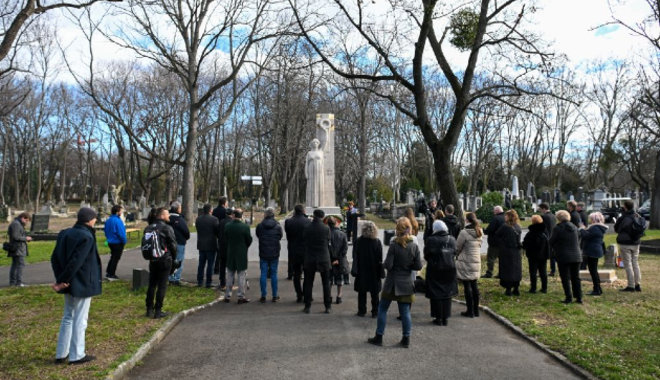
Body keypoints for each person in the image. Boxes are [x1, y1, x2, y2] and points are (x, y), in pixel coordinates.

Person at [51, 207, 102, 365]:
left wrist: (61, 279)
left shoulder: (65, 233)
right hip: (82, 281)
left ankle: (62, 352)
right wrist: (64, 279)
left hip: (68, 281)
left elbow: (55, 257)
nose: (95, 221)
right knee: (80, 319)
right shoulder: (86, 236)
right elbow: (77, 261)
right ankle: (77, 354)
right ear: (90, 220)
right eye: (95, 219)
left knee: (68, 316)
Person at [368, 217, 422, 348]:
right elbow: (418, 266)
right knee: (405, 312)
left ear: (397, 230)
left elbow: (388, 265)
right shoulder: (414, 246)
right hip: (406, 283)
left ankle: (379, 336)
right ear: (409, 229)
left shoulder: (393, 246)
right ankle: (406, 338)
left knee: (382, 309)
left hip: (392, 283)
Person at [144, 207, 177, 318]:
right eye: (167, 214)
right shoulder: (167, 228)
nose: (169, 216)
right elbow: (173, 245)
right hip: (164, 259)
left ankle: (149, 309)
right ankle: (158, 310)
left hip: (153, 259)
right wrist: (174, 259)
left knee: (152, 284)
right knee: (162, 285)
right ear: (162, 216)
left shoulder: (148, 227)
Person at [424, 220, 458, 326]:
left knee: (436, 293)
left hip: (435, 268)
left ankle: (438, 317)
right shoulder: (452, 239)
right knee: (447, 293)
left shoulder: (431, 240)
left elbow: (426, 254)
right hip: (450, 268)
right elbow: (455, 252)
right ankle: (445, 317)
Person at [302, 209, 332, 313]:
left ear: (314, 216)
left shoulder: (307, 227)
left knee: (308, 283)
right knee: (326, 283)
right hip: (323, 257)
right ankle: (327, 306)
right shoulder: (326, 228)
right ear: (322, 217)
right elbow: (328, 240)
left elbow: (304, 240)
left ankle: (307, 305)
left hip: (310, 257)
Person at [549, 210, 583, 304]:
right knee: (575, 277)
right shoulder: (575, 227)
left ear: (558, 218)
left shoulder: (558, 228)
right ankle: (579, 297)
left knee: (565, 277)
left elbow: (551, 241)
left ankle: (568, 297)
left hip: (563, 255)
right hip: (576, 255)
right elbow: (579, 238)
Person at [352, 221, 383, 317]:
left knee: (362, 291)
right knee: (375, 293)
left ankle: (362, 310)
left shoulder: (358, 241)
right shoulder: (377, 242)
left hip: (362, 269)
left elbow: (355, 255)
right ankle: (375, 311)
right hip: (374, 269)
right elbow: (380, 258)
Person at [455, 212, 483, 317]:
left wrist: (457, 255)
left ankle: (470, 310)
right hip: (476, 260)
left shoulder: (464, 232)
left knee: (467, 285)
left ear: (466, 220)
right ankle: (476, 310)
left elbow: (458, 247)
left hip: (466, 260)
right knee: (474, 285)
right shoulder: (479, 231)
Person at [614, 200, 643, 292]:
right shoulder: (637, 215)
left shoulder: (623, 217)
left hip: (625, 243)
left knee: (628, 264)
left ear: (625, 207)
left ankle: (631, 286)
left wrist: (621, 216)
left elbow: (617, 229)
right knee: (635, 263)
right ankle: (637, 284)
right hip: (636, 242)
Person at [224, 208, 252, 303]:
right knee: (241, 276)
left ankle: (227, 295)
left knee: (230, 275)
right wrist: (244, 246)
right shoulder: (245, 227)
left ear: (233, 215)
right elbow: (249, 240)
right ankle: (240, 296)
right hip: (241, 253)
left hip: (231, 252)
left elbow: (226, 238)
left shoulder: (228, 226)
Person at [256, 207, 283, 302]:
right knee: (274, 274)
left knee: (263, 273)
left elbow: (258, 235)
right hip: (274, 252)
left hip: (263, 251)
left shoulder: (260, 225)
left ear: (265, 214)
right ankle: (275, 295)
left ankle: (263, 295)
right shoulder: (278, 226)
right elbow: (280, 236)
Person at [285, 204, 311, 302]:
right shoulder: (308, 222)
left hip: (293, 250)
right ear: (303, 211)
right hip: (305, 251)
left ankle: (299, 294)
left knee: (296, 274)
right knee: (307, 274)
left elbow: (288, 236)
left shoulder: (289, 222)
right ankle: (305, 293)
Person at [495, 209, 523, 296]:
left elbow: (497, 235)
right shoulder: (518, 227)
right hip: (516, 251)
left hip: (506, 251)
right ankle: (516, 288)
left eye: (506, 216)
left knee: (507, 270)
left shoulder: (505, 226)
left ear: (509, 217)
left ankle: (508, 289)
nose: (505, 217)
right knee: (516, 269)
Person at [579, 212, 608, 296]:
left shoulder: (595, 228)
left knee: (593, 271)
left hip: (592, 251)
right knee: (593, 271)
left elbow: (586, 236)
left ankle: (597, 289)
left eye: (591, 219)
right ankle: (598, 288)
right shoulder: (598, 227)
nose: (590, 220)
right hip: (594, 250)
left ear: (594, 220)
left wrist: (581, 229)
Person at [522, 215, 549, 294]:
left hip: (533, 255)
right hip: (543, 254)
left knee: (533, 272)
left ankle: (533, 288)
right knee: (543, 271)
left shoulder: (531, 233)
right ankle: (544, 288)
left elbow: (526, 243)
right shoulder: (545, 231)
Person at [196, 204, 220, 288]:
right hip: (211, 244)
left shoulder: (198, 219)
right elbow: (217, 232)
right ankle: (208, 282)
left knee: (201, 264)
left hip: (201, 244)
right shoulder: (214, 219)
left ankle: (199, 281)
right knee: (210, 264)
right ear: (210, 210)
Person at [168, 201, 190, 285]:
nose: (181, 209)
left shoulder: (167, 218)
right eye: (180, 207)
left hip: (169, 242)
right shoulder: (180, 219)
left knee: (171, 259)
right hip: (180, 242)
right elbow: (186, 231)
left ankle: (170, 277)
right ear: (177, 209)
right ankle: (176, 278)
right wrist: (186, 237)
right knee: (179, 260)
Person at [327, 216, 348, 304]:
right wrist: (339, 259)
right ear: (336, 223)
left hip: (329, 260)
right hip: (340, 260)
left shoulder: (326, 234)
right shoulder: (342, 234)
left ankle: (329, 296)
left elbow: (325, 248)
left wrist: (331, 259)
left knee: (329, 279)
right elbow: (345, 248)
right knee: (339, 279)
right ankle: (339, 296)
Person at [7, 212, 32, 286]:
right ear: (23, 218)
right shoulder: (16, 224)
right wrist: (26, 238)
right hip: (17, 249)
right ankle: (18, 282)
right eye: (26, 220)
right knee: (20, 265)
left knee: (16, 265)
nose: (27, 222)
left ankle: (13, 283)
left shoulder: (17, 223)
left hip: (18, 248)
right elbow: (15, 237)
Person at [103, 205, 126, 281]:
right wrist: (124, 241)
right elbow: (121, 232)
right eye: (121, 211)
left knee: (113, 257)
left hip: (110, 241)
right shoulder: (117, 221)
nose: (122, 212)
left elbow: (105, 231)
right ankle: (111, 274)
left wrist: (108, 238)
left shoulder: (108, 220)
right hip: (117, 242)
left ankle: (109, 272)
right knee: (115, 258)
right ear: (117, 212)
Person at [482, 205, 505, 278]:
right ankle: (501, 273)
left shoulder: (496, 218)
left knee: (491, 258)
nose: (493, 212)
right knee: (502, 259)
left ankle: (489, 273)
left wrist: (484, 230)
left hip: (494, 242)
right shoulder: (506, 217)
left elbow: (490, 229)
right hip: (503, 242)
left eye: (494, 211)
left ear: (497, 211)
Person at [216, 208, 233, 290]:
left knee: (222, 265)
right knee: (230, 266)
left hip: (222, 246)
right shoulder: (232, 223)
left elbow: (217, 232)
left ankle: (222, 282)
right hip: (230, 247)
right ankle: (230, 282)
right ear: (231, 214)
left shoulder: (221, 222)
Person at [539, 203, 557, 276]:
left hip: (545, 237)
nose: (540, 210)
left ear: (544, 208)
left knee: (543, 256)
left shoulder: (543, 216)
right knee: (552, 256)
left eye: (540, 209)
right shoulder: (553, 216)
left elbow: (541, 228)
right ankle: (553, 270)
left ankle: (542, 271)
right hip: (553, 237)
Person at [212, 196, 227, 276]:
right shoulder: (225, 211)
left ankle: (216, 268)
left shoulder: (214, 210)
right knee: (222, 251)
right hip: (223, 231)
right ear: (224, 203)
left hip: (215, 230)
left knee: (217, 251)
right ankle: (222, 267)